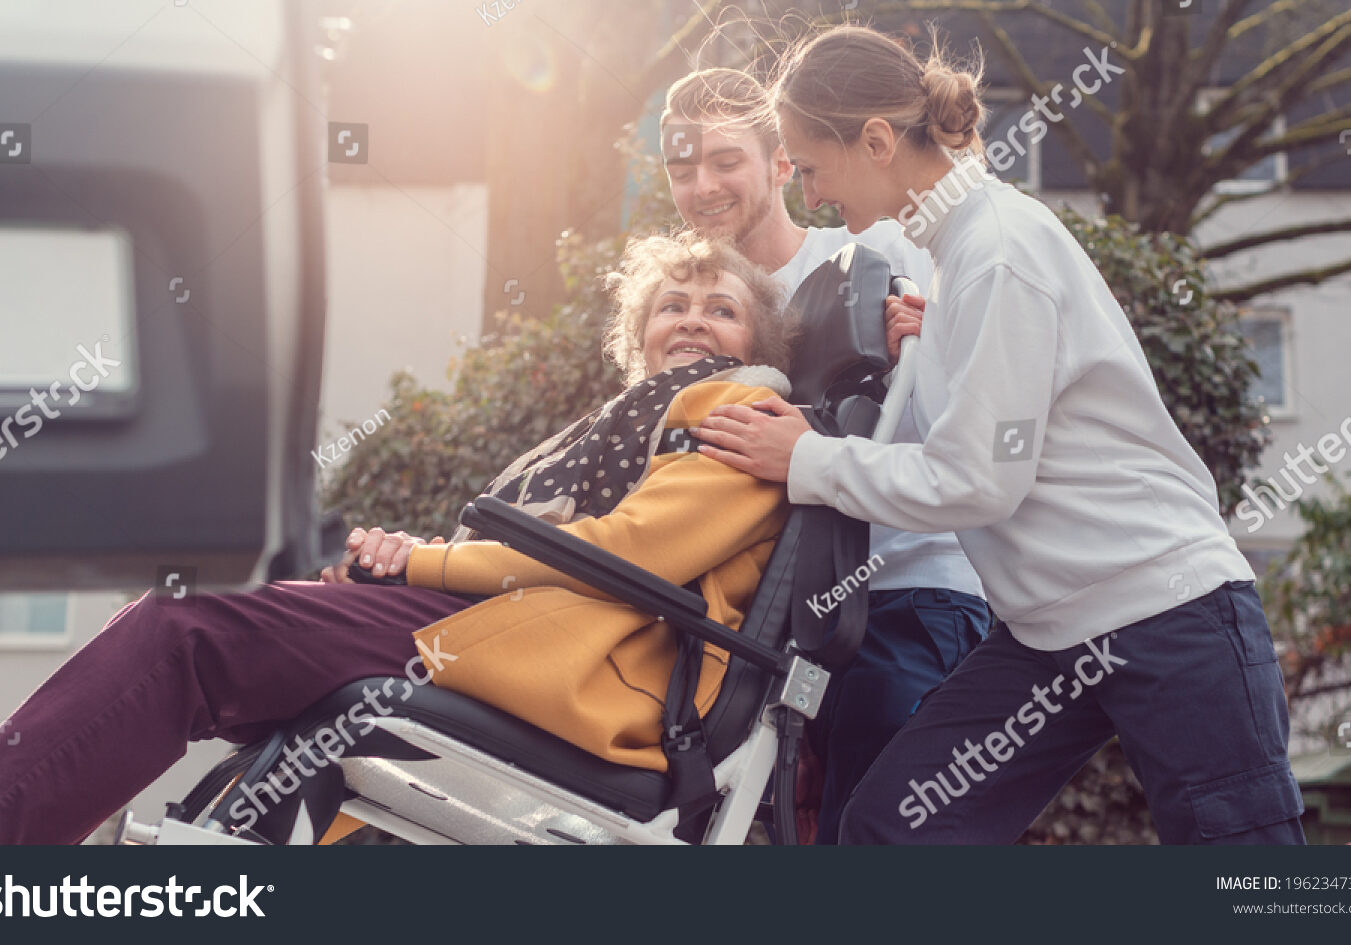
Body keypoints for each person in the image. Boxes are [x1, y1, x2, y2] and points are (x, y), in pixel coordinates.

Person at [692, 24, 1304, 844]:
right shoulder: (959, 261)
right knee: (892, 827)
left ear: (875, 140)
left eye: (809, 168)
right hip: (1052, 633)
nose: (809, 194)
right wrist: (937, 330)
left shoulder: (996, 252)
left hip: (1168, 610)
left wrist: (804, 458)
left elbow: (981, 480)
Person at [0, 232, 799, 845]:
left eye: (720, 307)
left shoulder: (742, 412)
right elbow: (536, 542)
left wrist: (419, 561)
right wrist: (397, 567)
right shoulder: (615, 425)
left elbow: (626, 555)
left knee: (186, 625)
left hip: (584, 667)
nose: (692, 317)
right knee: (198, 621)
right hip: (504, 628)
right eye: (673, 305)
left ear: (756, 344)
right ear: (640, 336)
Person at [660, 66, 991, 844]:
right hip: (764, 626)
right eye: (681, 169)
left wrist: (932, 333)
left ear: (783, 163)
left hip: (901, 593)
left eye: (724, 160)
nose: (701, 185)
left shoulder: (873, 246)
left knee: (877, 825)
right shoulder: (696, 307)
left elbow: (981, 364)